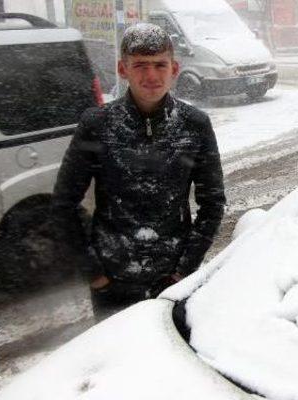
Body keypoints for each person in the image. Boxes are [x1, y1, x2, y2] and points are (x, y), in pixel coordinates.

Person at [52, 23, 225, 321]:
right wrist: (94, 273)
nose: (151, 76)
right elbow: (63, 205)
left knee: (171, 362)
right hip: (113, 282)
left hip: (173, 283)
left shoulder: (195, 124)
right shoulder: (97, 124)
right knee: (118, 364)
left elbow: (213, 204)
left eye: (160, 64)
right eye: (140, 65)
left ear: (174, 68)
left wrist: (184, 268)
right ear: (123, 69)